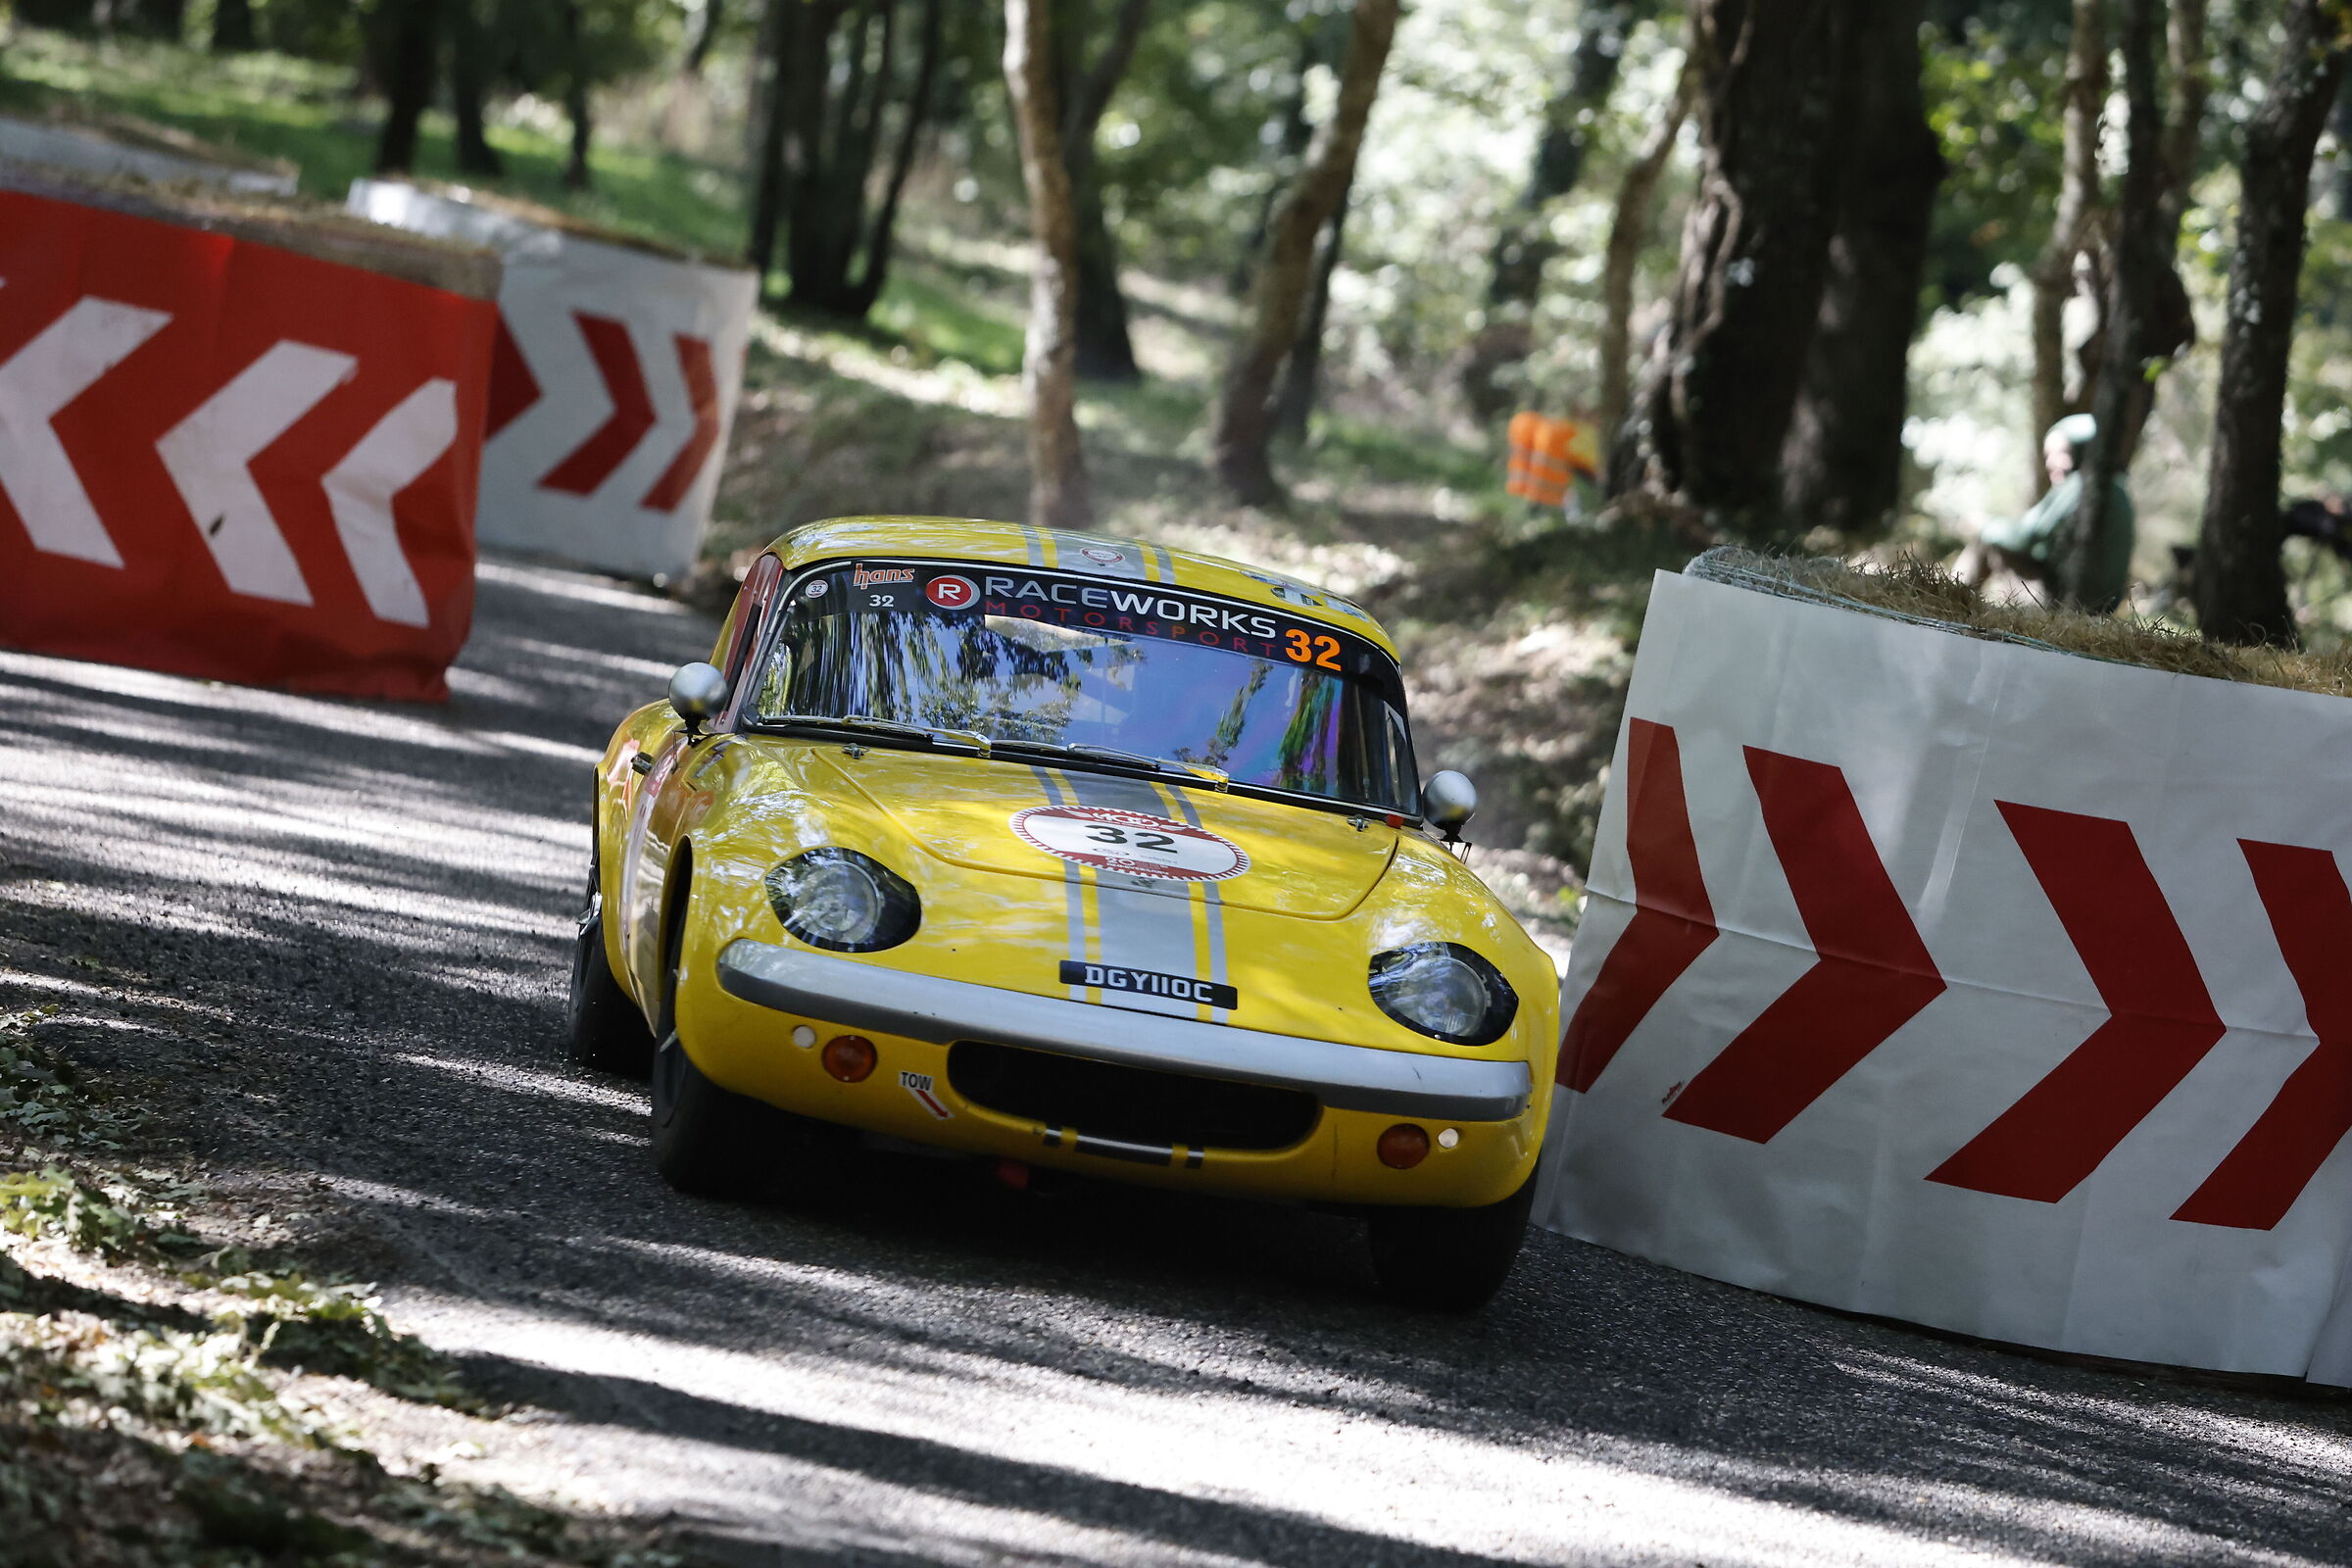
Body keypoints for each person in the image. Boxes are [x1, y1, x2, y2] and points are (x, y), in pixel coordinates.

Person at [1958, 415, 2136, 612]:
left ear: (2083, 450)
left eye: (2062, 453)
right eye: (2048, 455)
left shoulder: (2079, 485)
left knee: (1988, 540)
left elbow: (2025, 535)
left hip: (2061, 605)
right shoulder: (2118, 489)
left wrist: (1984, 524)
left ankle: (1950, 599)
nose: (2051, 463)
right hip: (2095, 610)